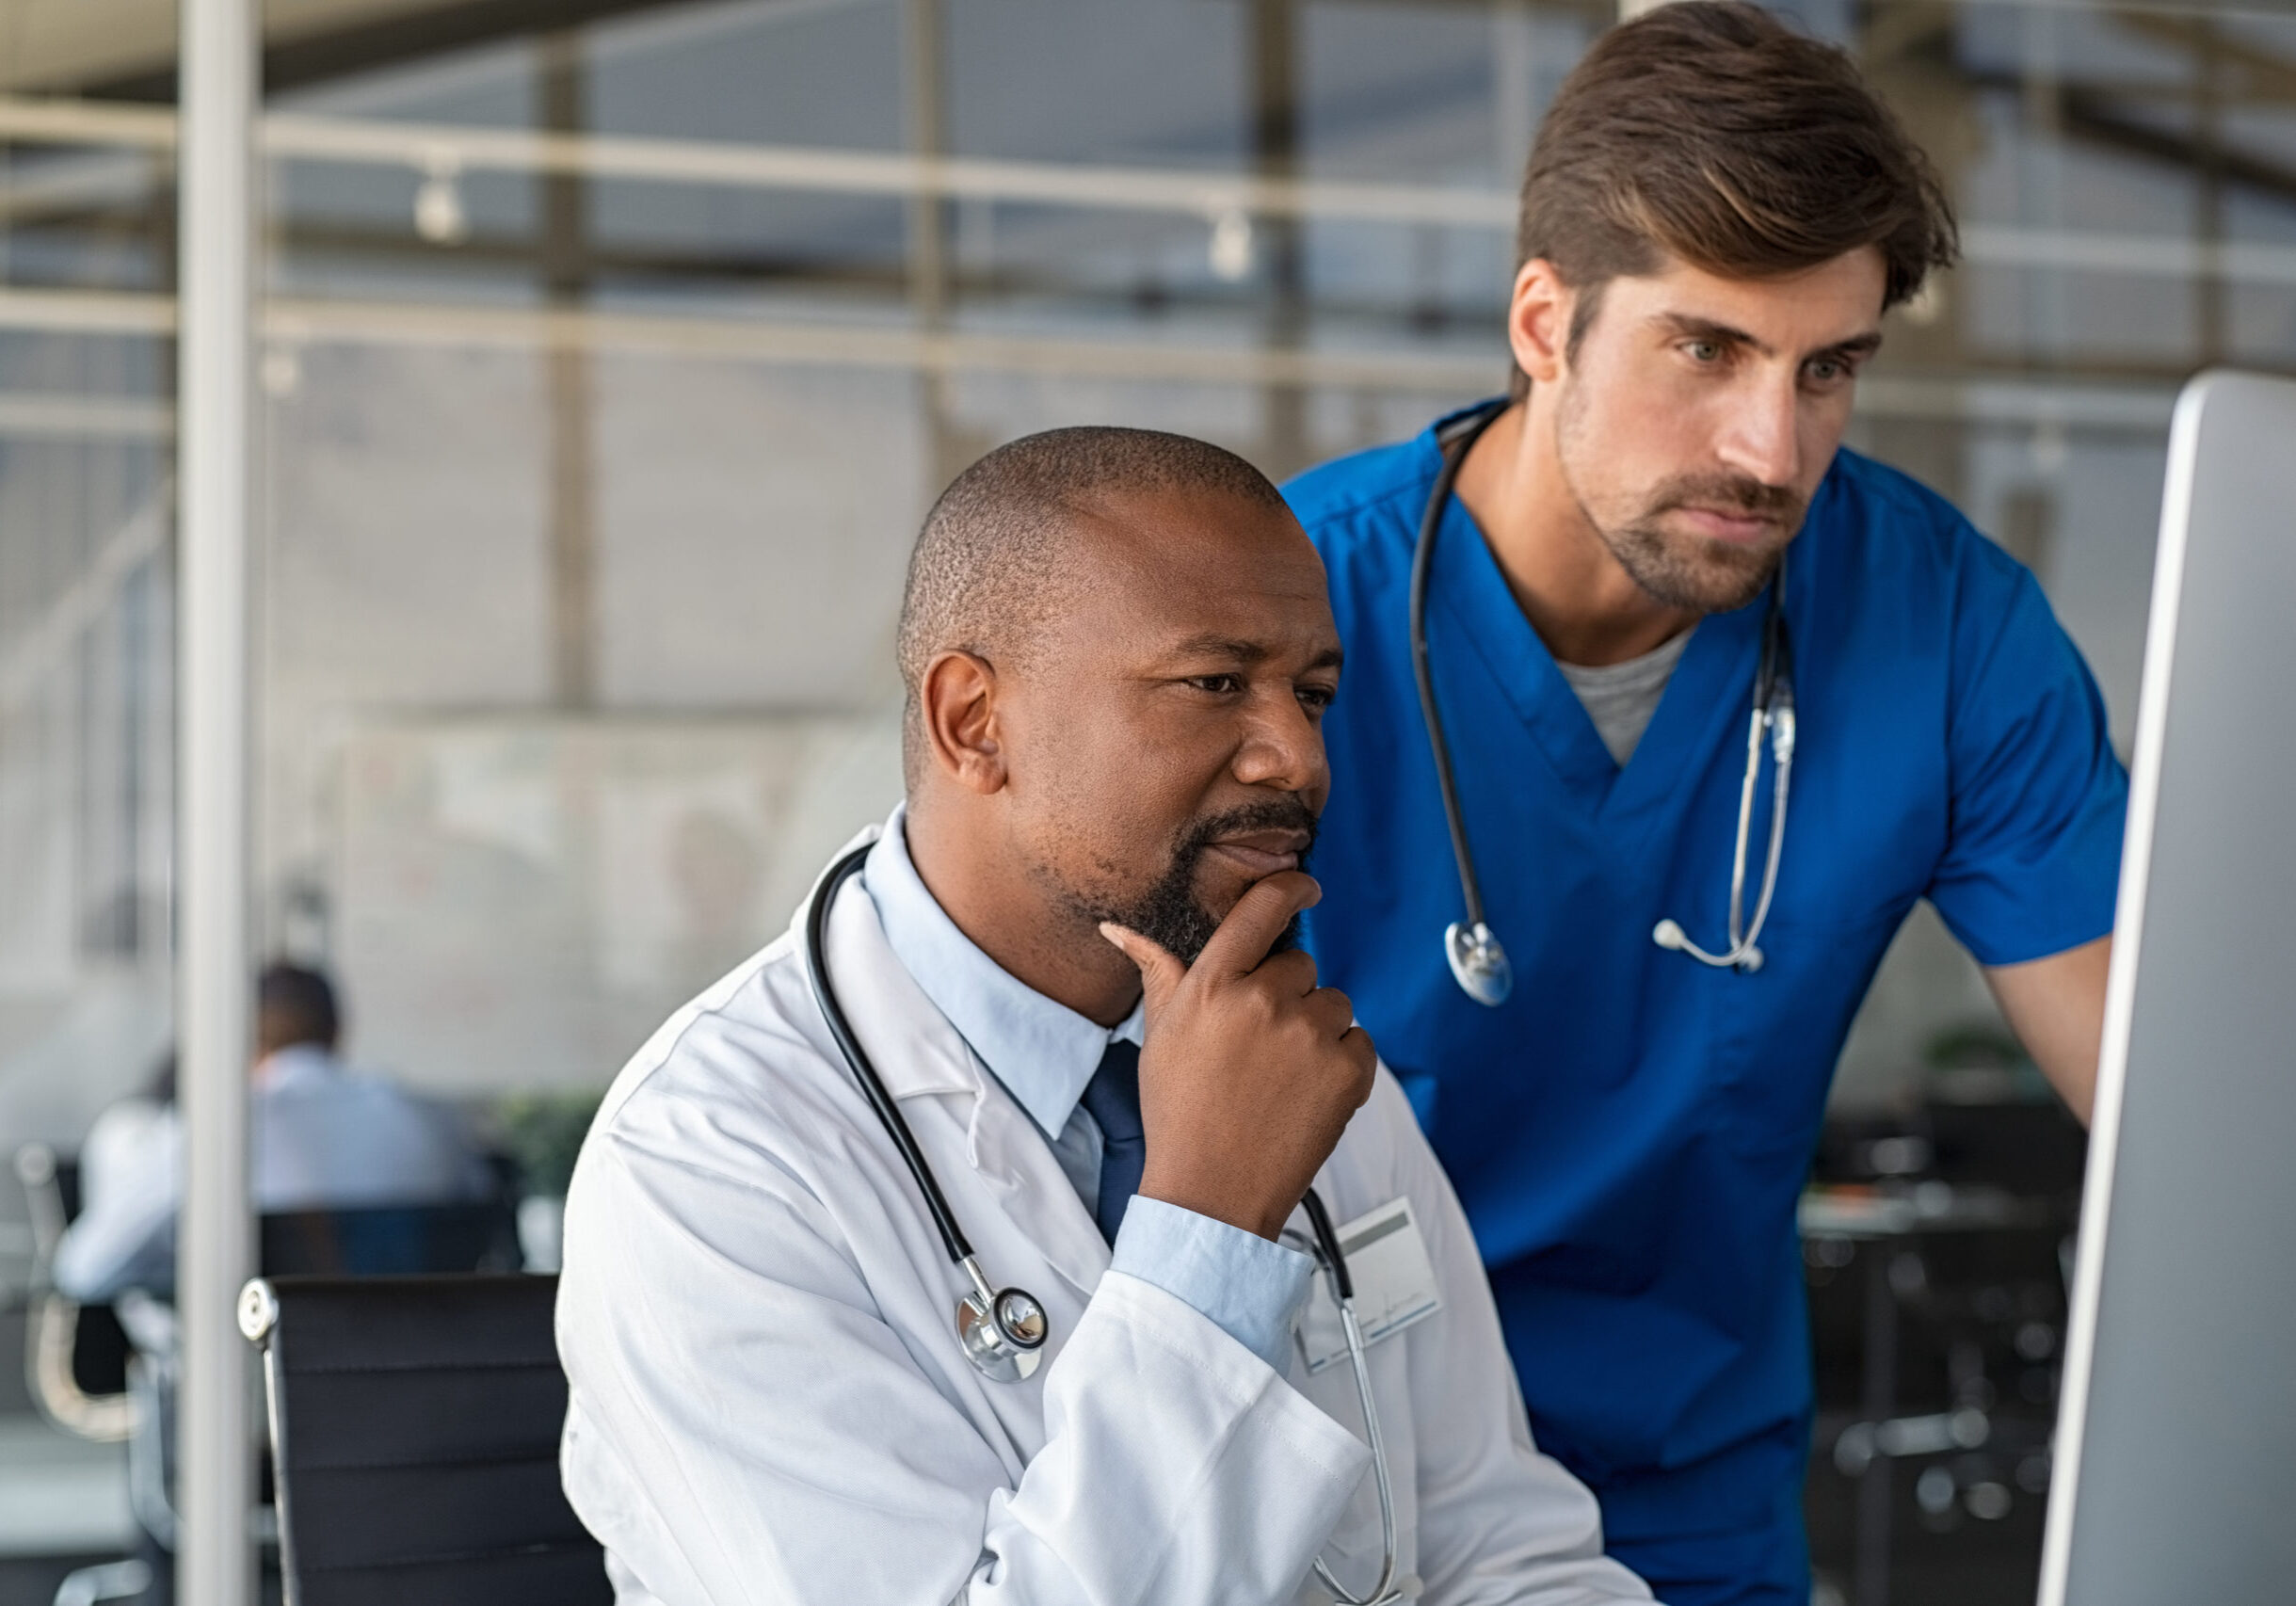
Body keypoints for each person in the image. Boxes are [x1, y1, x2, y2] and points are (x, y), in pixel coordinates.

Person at [1278, 7, 2127, 1603]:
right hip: (1316, 1499)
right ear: (1543, 324)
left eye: (1828, 370)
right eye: (1705, 349)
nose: (1770, 448)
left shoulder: (1939, 626)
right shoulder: (1272, 620)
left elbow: (2169, 1097)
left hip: (1683, 1522)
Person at [555, 429, 1658, 1606]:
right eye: (1215, 683)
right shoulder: (709, 1165)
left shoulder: (1308, 1068)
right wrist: (1212, 1233)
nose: (1297, 756)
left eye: (1315, 693)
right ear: (974, 720)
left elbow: (1508, 1552)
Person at [53, 962, 493, 1301]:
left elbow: (85, 1273)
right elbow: (484, 1235)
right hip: (402, 1374)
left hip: (232, 1395)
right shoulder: (430, 1123)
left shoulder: (209, 1138)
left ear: (239, 1037)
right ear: (338, 1031)